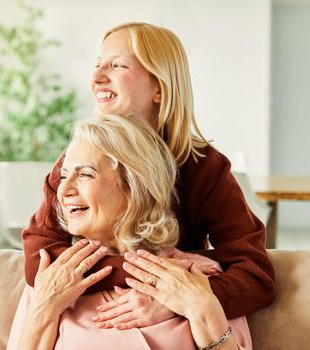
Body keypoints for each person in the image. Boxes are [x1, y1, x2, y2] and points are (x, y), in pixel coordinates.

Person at [22, 22, 275, 328]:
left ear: (159, 87)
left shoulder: (205, 167)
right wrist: (155, 279)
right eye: (97, 64)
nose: (96, 77)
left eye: (117, 65)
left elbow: (254, 276)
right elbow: (40, 258)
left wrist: (177, 301)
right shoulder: (76, 158)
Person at [7, 114, 252, 350]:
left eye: (85, 174)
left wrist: (203, 309)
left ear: (134, 187)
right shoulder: (52, 277)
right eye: (63, 176)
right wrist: (44, 308)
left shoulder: (197, 277)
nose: (64, 190)